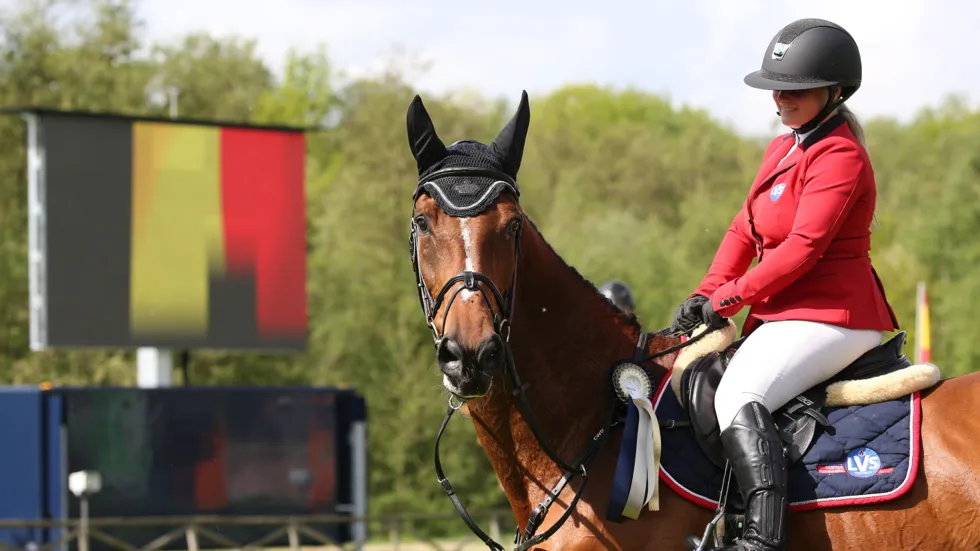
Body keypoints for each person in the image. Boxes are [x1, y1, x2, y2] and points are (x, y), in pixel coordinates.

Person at [670, 18, 900, 551]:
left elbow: (801, 250)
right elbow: (742, 229)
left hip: (836, 316)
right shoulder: (783, 149)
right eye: (779, 87)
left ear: (834, 91)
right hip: (784, 315)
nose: (783, 97)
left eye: (797, 89)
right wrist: (706, 292)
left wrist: (728, 300)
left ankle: (761, 539)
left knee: (739, 395)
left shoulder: (839, 155)